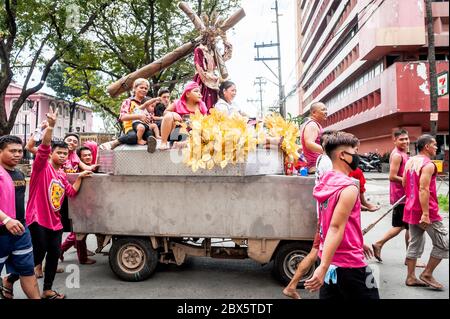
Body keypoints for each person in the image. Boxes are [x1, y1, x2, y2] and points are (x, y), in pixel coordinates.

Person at [23, 107, 91, 299]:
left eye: (64, 153)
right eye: (58, 152)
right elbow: (43, 148)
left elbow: (71, 192)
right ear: (51, 153)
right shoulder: (41, 167)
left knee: (53, 256)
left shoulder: (62, 175)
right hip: (37, 219)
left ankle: (47, 290)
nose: (62, 155)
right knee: (38, 255)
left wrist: (81, 177)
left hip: (55, 222)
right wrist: (51, 126)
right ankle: (10, 279)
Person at [305, 131, 379, 299]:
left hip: (331, 259)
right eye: (355, 151)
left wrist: (357, 241)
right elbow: (335, 227)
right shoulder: (348, 187)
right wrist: (323, 268)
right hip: (350, 264)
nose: (357, 156)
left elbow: (334, 221)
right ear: (343, 155)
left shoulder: (326, 181)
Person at [282, 130, 335, 299]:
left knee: (320, 252)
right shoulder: (327, 162)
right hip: (326, 215)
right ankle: (292, 286)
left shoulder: (321, 159)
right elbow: (329, 189)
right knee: (315, 252)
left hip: (325, 213)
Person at [403, 134, 449, 290]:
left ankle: (410, 277)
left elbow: (404, 183)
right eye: (434, 144)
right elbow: (423, 188)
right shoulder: (428, 164)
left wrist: (412, 200)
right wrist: (426, 213)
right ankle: (427, 274)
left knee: (415, 241)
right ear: (426, 147)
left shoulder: (411, 161)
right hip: (426, 210)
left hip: (411, 208)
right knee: (444, 244)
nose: (437, 147)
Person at [0, 135, 40, 299]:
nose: (17, 154)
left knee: (27, 271)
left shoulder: (18, 174)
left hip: (20, 232)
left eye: (19, 151)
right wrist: (6, 219)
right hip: (1, 232)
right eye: (12, 151)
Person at [372, 129, 418, 264]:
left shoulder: (403, 153)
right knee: (402, 226)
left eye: (406, 139)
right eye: (401, 139)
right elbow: (392, 176)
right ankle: (380, 244)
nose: (405, 141)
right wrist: (409, 181)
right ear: (395, 140)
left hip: (405, 196)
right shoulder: (397, 155)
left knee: (407, 226)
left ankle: (409, 258)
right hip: (401, 197)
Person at [59, 146, 97, 265]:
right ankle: (81, 257)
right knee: (80, 231)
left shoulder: (92, 169)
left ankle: (62, 250)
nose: (88, 157)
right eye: (84, 155)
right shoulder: (76, 173)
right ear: (79, 158)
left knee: (79, 232)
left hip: (88, 204)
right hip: (78, 205)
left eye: (89, 155)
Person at [100, 78, 159, 152]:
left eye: (146, 88)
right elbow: (122, 117)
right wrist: (139, 116)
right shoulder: (128, 101)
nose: (144, 90)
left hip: (145, 127)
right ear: (134, 88)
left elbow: (151, 117)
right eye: (141, 87)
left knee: (149, 134)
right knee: (133, 137)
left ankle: (151, 146)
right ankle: (115, 142)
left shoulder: (148, 103)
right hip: (131, 127)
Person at [158, 81, 208, 150]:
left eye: (200, 92)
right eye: (196, 91)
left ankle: (181, 144)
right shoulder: (178, 103)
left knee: (205, 134)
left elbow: (205, 120)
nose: (199, 94)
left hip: (194, 132)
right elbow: (165, 113)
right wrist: (173, 114)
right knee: (169, 116)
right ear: (187, 94)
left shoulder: (201, 105)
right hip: (177, 132)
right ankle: (164, 142)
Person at [301, 102, 327, 174]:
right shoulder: (312, 125)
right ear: (314, 113)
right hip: (315, 167)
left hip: (317, 166)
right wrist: (328, 151)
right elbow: (309, 143)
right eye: (323, 110)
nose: (326, 112)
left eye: (326, 110)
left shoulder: (315, 124)